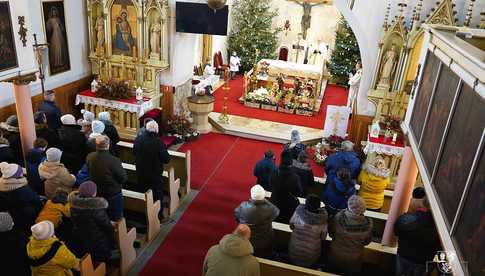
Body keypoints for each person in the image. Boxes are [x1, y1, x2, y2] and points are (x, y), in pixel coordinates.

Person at [70, 181, 115, 263]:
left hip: (81, 238)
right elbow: (107, 226)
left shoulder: (74, 205)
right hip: (98, 241)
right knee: (101, 259)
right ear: (93, 193)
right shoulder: (96, 209)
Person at [394, 197, 441, 276]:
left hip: (403, 255)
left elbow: (396, 232)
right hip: (423, 262)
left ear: (422, 204)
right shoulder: (439, 228)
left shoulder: (405, 219)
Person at [134, 120, 170, 221]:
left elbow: (134, 152)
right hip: (154, 174)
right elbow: (166, 159)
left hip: (140, 172)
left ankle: (144, 215)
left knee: (143, 192)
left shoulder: (138, 139)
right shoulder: (158, 142)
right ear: (156, 130)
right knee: (157, 194)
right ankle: (159, 216)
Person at [328, 195, 373, 274]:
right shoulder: (368, 224)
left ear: (349, 206)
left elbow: (331, 234)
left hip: (336, 255)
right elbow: (367, 242)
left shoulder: (338, 217)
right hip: (354, 258)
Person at [87, 135, 127, 220]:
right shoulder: (113, 160)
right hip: (112, 193)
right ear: (108, 145)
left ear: (96, 145)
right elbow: (123, 178)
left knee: (102, 216)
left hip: (98, 192)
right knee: (116, 217)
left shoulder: (90, 157)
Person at [235, 185, 279, 258]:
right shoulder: (269, 208)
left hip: (246, 240)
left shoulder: (243, 206)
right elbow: (276, 213)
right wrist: (265, 201)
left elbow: (237, 217)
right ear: (263, 196)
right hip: (265, 240)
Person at [0, 162, 42, 232]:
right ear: (16, 176)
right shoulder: (22, 189)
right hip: (28, 211)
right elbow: (36, 200)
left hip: (15, 210)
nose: (22, 172)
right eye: (20, 172)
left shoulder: (3, 185)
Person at [288, 194, 328, 268]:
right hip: (311, 256)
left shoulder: (298, 213)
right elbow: (323, 237)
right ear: (318, 207)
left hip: (294, 252)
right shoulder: (322, 220)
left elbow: (291, 226)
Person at [270, 150, 301, 223]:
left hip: (275, 201)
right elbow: (298, 192)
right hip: (288, 205)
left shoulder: (274, 172)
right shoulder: (295, 177)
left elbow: (270, 185)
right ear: (291, 163)